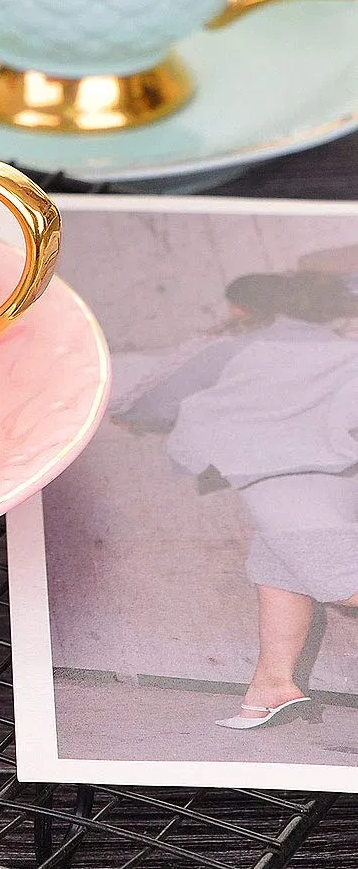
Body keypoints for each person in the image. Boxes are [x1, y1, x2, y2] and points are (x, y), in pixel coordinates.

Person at [115, 270, 358, 731]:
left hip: (280, 485)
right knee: (279, 577)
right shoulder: (349, 351)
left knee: (339, 582)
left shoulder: (233, 349)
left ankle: (273, 685)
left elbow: (148, 399)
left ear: (249, 310)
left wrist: (138, 418)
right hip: (341, 481)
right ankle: (272, 687)